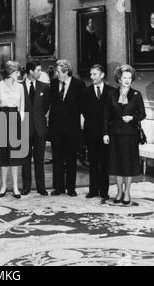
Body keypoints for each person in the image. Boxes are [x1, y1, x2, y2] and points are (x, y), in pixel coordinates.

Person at [103, 64, 146, 205]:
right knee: (117, 165)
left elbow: (142, 114)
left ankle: (127, 192)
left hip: (130, 135)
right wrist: (105, 133)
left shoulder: (136, 94)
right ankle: (119, 192)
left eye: (129, 77)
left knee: (128, 165)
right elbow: (106, 115)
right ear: (119, 79)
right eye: (124, 77)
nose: (127, 80)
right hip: (115, 134)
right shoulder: (111, 94)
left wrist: (132, 118)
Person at [49, 60, 86, 197]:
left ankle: (71, 188)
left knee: (71, 158)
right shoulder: (53, 84)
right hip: (56, 128)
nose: (56, 74)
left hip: (72, 128)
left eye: (58, 72)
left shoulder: (79, 84)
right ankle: (58, 187)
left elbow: (83, 106)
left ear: (65, 72)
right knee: (57, 158)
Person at [0, 60, 25, 199]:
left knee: (15, 154)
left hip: (15, 118)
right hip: (2, 118)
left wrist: (20, 122)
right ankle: (3, 185)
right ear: (10, 72)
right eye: (17, 72)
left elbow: (22, 107)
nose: (19, 74)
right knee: (3, 154)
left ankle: (16, 186)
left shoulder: (20, 87)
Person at [82, 64, 114, 200]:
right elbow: (83, 110)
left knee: (104, 162)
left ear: (102, 75)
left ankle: (104, 191)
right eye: (91, 74)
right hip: (91, 132)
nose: (91, 77)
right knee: (93, 162)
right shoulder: (86, 91)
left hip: (106, 133)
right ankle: (93, 190)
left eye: (94, 74)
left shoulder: (111, 91)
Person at [21, 60, 51, 196]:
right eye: (38, 70)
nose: (40, 72)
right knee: (25, 159)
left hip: (40, 128)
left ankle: (41, 187)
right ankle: (26, 187)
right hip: (24, 127)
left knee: (39, 159)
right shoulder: (19, 87)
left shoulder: (45, 87)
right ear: (30, 72)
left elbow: (46, 106)